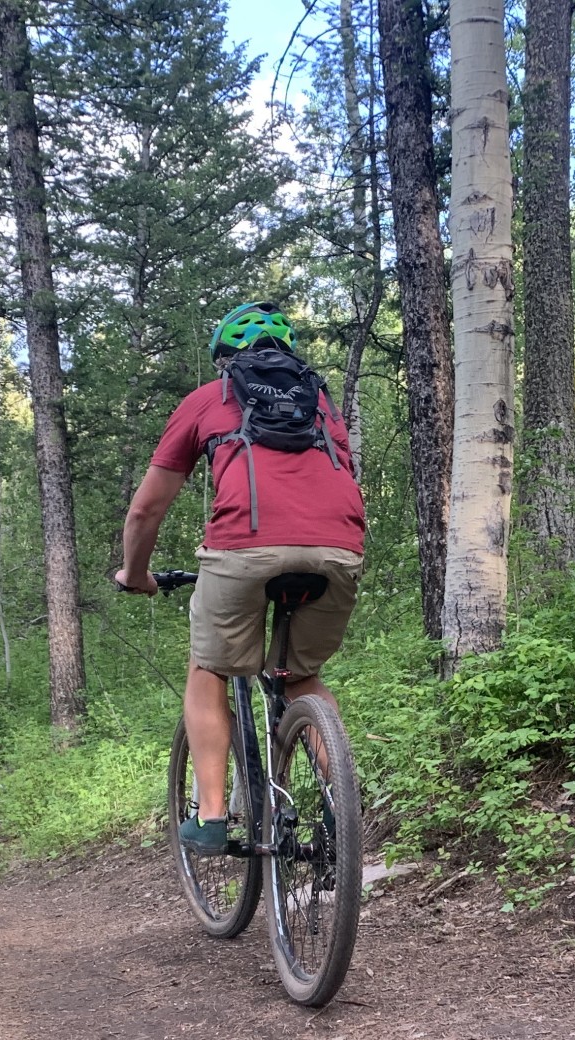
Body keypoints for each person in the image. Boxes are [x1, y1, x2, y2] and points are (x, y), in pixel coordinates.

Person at [113, 301, 365, 851]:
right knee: (301, 675)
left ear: (225, 358)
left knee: (208, 667)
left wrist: (135, 573)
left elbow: (145, 510)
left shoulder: (208, 398)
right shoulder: (323, 405)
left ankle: (210, 816)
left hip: (243, 550)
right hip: (339, 549)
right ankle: (342, 806)